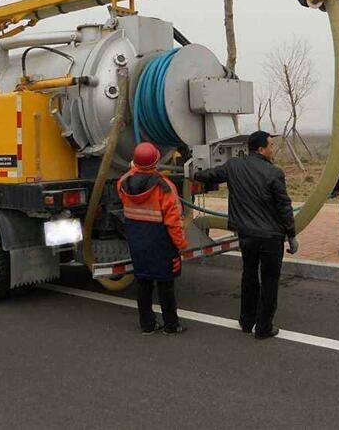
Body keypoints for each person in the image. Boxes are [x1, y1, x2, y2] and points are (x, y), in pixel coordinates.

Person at [193, 131, 298, 339]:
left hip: (246, 236)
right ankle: (264, 327)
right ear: (260, 149)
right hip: (270, 237)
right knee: (269, 281)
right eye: (270, 145)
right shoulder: (274, 173)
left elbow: (210, 175)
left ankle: (246, 321)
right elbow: (284, 207)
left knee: (249, 275)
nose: (272, 149)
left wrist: (194, 173)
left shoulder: (234, 165)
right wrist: (291, 235)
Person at [117, 142, 189, 335]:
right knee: (166, 285)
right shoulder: (164, 187)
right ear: (156, 161)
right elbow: (173, 221)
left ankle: (147, 324)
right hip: (162, 242)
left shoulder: (123, 183)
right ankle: (171, 325)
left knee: (143, 283)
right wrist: (181, 244)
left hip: (137, 241)